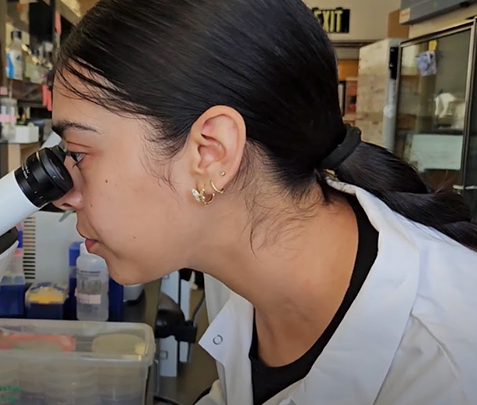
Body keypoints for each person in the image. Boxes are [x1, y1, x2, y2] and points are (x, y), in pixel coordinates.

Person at [50, 0, 477, 404]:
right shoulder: (240, 259)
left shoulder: (449, 370)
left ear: (210, 153)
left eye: (79, 153)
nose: (66, 195)